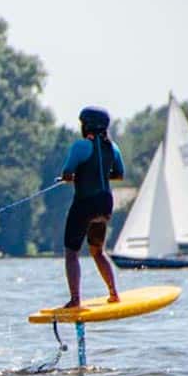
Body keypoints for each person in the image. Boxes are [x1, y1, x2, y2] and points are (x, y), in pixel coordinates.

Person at [57, 106, 124, 308]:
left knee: (71, 252)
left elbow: (68, 172)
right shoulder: (113, 148)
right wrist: (99, 175)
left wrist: (71, 178)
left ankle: (76, 299)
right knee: (97, 251)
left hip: (85, 204)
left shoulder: (81, 146)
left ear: (86, 126)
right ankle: (113, 293)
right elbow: (119, 174)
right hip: (105, 205)